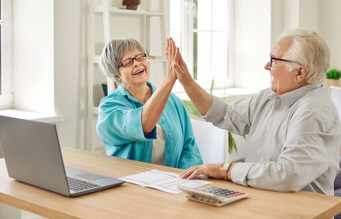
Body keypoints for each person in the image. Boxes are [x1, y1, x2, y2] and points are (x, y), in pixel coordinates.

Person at [176, 28, 341, 195]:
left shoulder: (313, 111)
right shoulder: (268, 97)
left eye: (274, 60)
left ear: (300, 72)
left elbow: (288, 174)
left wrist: (224, 170)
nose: (267, 66)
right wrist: (186, 81)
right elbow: (225, 114)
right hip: (260, 200)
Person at [97, 37, 203, 169]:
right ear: (116, 75)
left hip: (173, 183)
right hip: (131, 184)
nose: (136, 63)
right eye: (128, 62)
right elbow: (144, 124)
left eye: (140, 57)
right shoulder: (108, 108)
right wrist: (170, 78)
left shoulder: (172, 100)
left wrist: (184, 179)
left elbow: (188, 147)